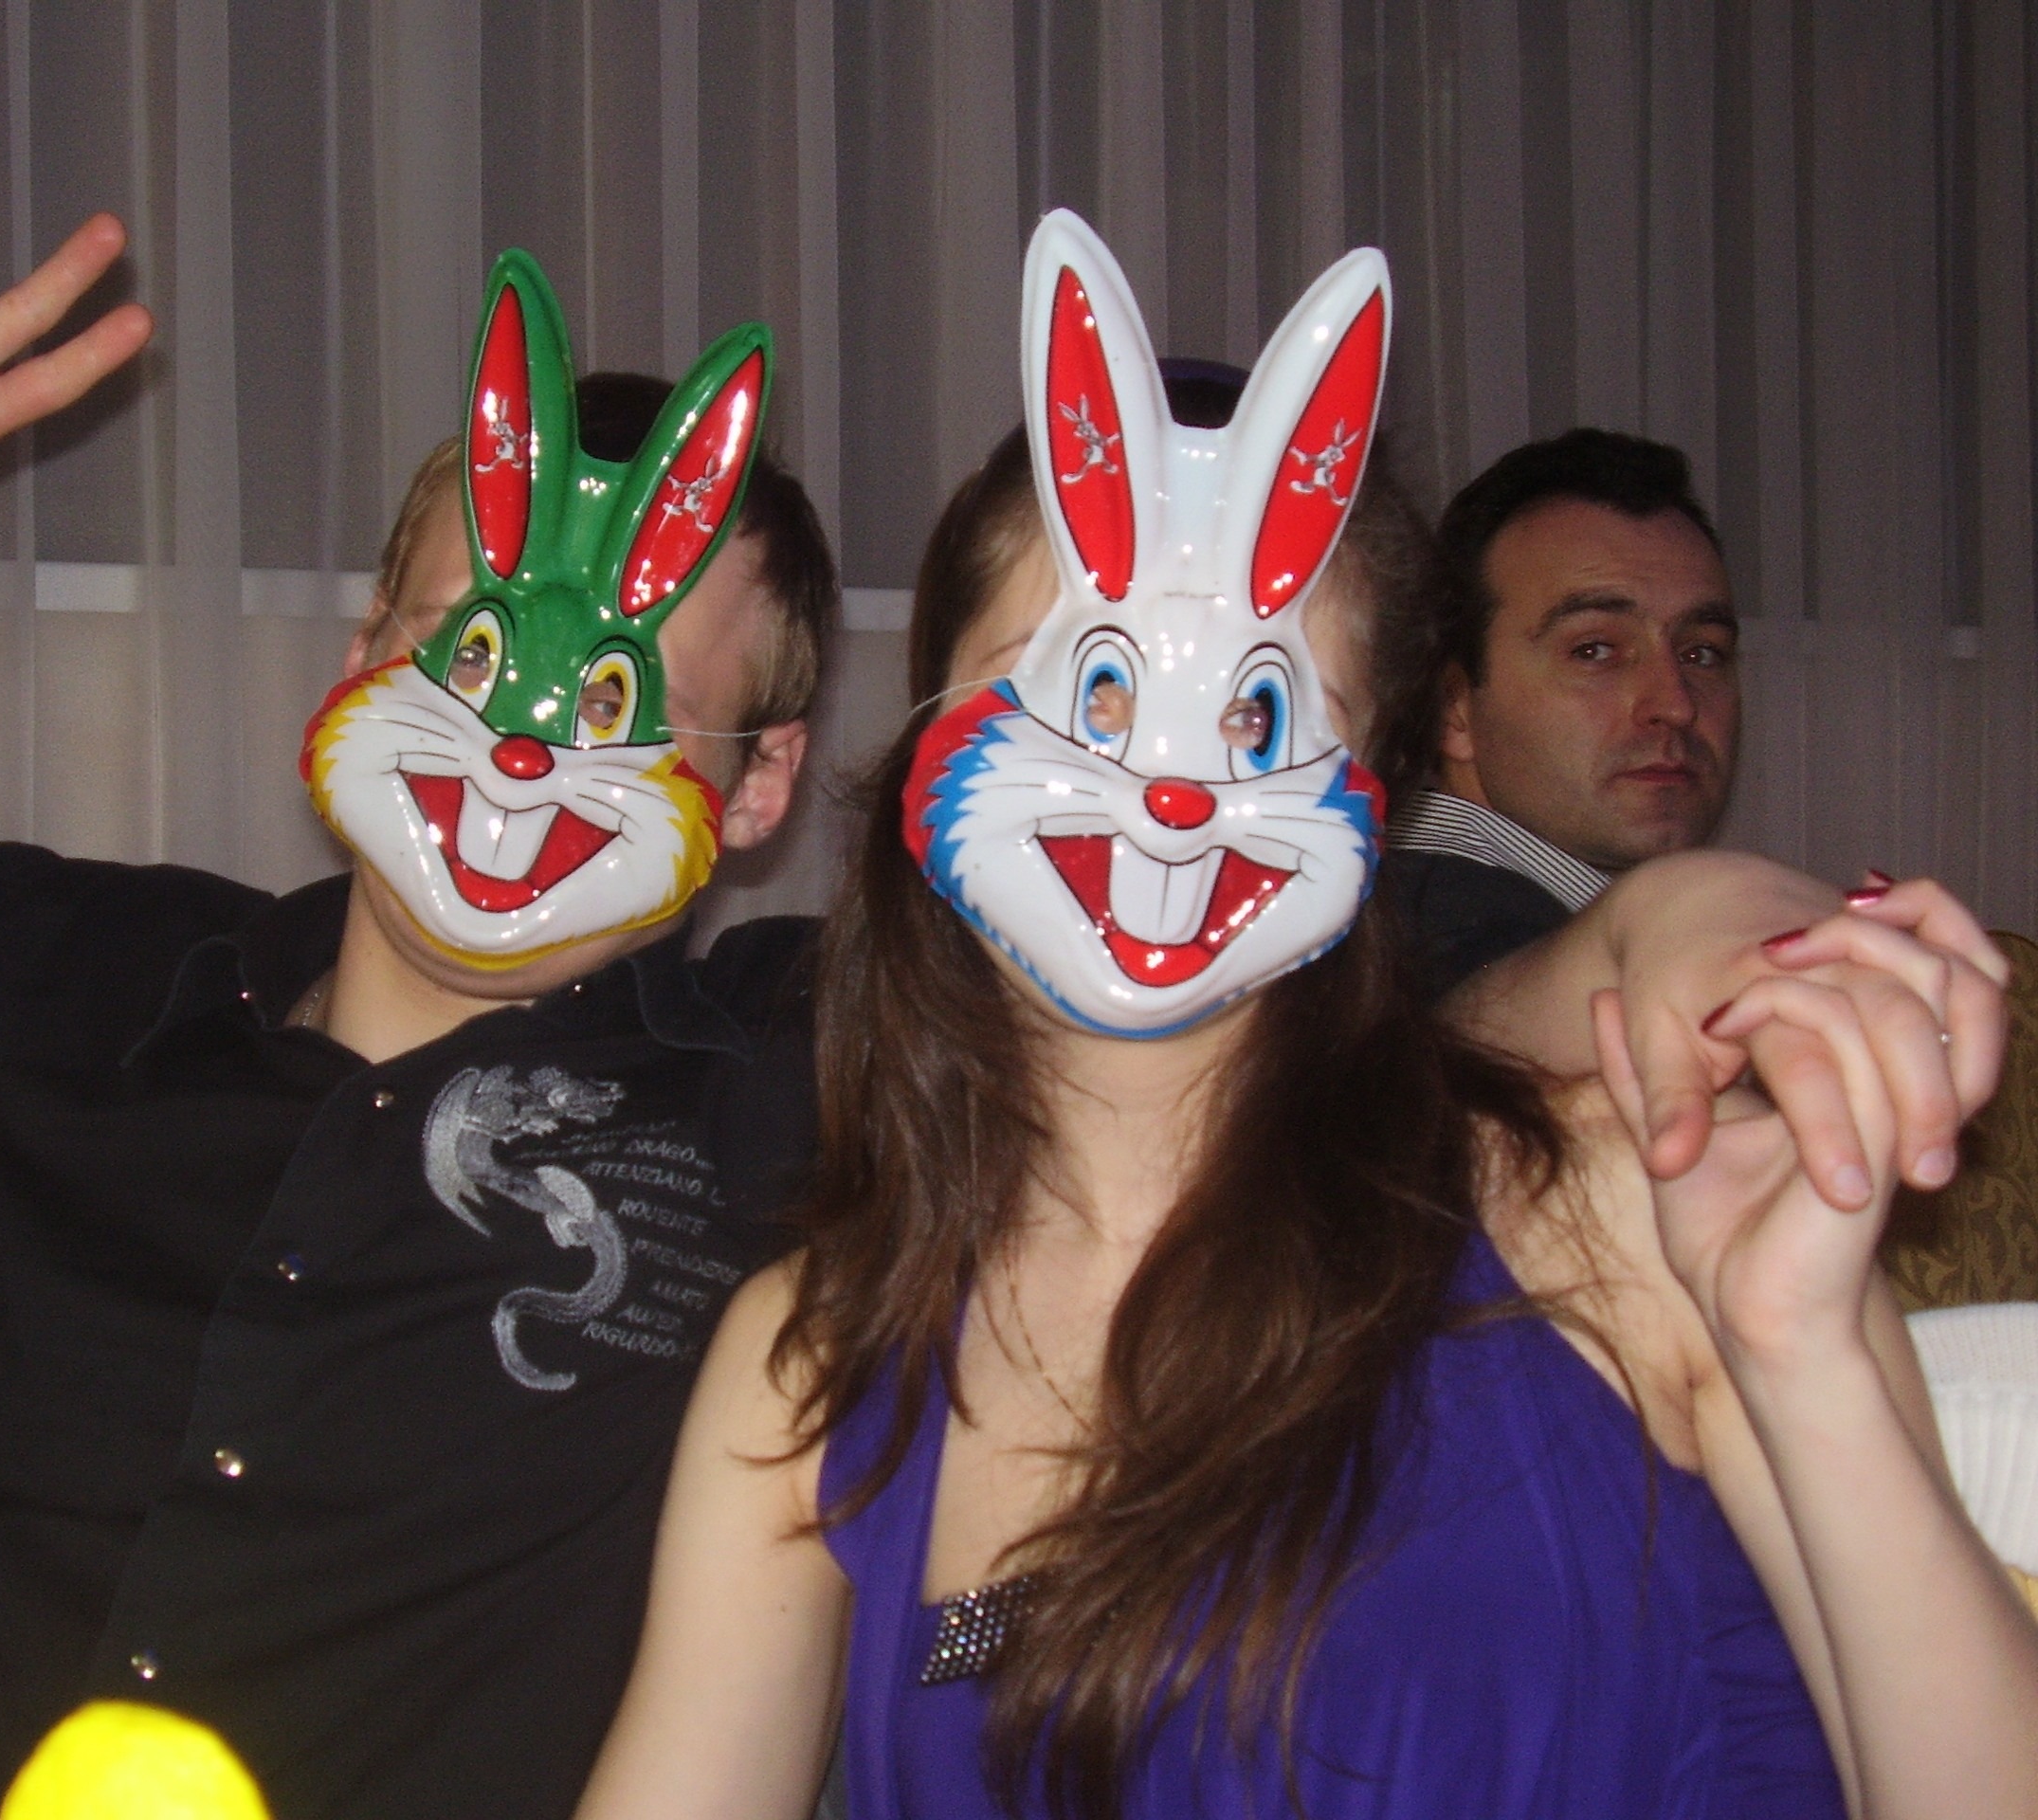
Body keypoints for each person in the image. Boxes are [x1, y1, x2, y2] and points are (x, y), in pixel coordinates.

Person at [573, 214, 2036, 1820]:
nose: (1167, 786)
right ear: (930, 738)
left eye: (1260, 711)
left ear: (1371, 794)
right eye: (1092, 688)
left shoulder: (1623, 1213)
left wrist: (1804, 1360)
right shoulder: (814, 1364)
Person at [0, 220, 836, 1820]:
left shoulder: (795, 1075)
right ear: (363, 653)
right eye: (467, 653)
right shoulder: (53, 975)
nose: (516, 751)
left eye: (614, 699)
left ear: (760, 783)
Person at [1379, 428, 1740, 994]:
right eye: (1594, 650)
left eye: (1702, 653)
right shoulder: (1444, 934)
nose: (1676, 705)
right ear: (1452, 708)